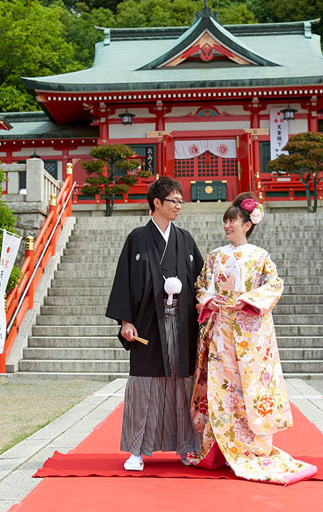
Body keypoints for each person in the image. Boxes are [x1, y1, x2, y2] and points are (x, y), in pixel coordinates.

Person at [188, 192, 318, 485]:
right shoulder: (215, 256)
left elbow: (274, 285)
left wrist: (246, 300)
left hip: (251, 336)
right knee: (222, 388)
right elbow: (200, 286)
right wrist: (210, 300)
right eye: (225, 221)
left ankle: (254, 448)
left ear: (247, 224)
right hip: (221, 330)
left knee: (251, 388)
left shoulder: (260, 256)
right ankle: (217, 449)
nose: (227, 226)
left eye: (231, 221)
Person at [105, 176, 204, 471]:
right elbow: (124, 280)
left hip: (182, 324)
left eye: (181, 201)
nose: (179, 206)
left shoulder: (184, 238)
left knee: (183, 386)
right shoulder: (137, 237)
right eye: (174, 201)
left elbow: (200, 280)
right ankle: (137, 450)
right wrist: (125, 321)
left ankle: (188, 447)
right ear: (157, 203)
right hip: (148, 326)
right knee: (144, 387)